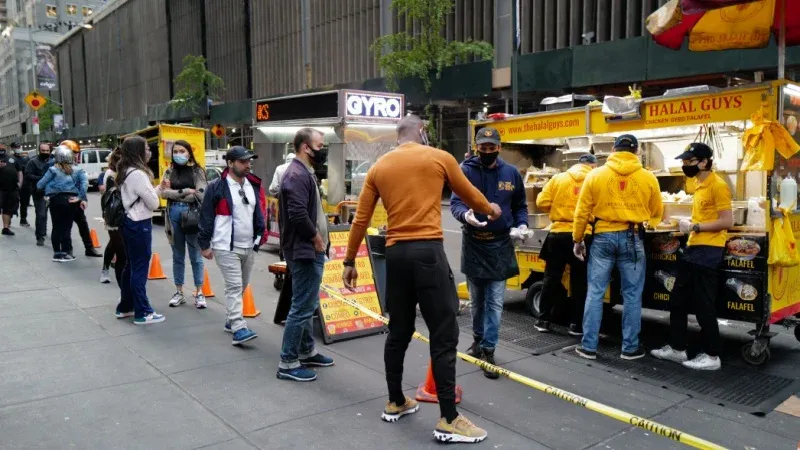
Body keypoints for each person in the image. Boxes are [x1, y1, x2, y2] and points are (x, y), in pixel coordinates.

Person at [342, 115, 501, 443]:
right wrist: (491, 209)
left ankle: (396, 401)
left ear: (398, 136)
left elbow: (360, 219)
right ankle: (448, 419)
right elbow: (471, 196)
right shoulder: (439, 157)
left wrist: (349, 261)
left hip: (396, 255)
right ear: (422, 131)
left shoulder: (379, 167)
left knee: (398, 331)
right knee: (444, 334)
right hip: (428, 253)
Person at [572, 134, 662, 361]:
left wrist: (578, 239)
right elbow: (656, 213)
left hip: (602, 237)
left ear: (613, 149)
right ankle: (630, 348)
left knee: (595, 292)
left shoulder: (595, 174)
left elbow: (582, 211)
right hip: (633, 237)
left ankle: (589, 347)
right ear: (637, 151)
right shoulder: (648, 177)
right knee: (632, 295)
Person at [450, 127, 529, 380]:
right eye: (482, 148)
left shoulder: (512, 173)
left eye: (491, 147)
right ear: (476, 147)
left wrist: (522, 225)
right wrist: (466, 215)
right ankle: (477, 339)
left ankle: (488, 349)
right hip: (474, 242)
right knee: (477, 301)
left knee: (495, 302)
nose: (486, 151)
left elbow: (520, 206)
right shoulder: (465, 171)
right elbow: (456, 203)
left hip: (500, 244)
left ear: (499, 147)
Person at [651, 143, 732, 371]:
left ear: (704, 161)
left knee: (703, 304)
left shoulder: (718, 185)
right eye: (684, 161)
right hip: (693, 249)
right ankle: (677, 349)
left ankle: (712, 356)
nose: (685, 165)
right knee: (678, 301)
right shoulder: (698, 184)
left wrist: (696, 226)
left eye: (689, 161)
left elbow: (727, 221)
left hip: (709, 251)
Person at [276, 129, 335, 382]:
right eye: (320, 145)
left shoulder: (304, 172)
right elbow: (298, 215)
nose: (323, 150)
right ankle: (288, 362)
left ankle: (306, 350)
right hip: (305, 250)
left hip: (307, 248)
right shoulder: (297, 175)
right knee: (302, 306)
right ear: (305, 147)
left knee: (307, 304)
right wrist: (317, 239)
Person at [198, 146, 265, 345]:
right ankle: (238, 327)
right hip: (225, 245)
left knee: (242, 285)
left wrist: (260, 235)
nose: (248, 165)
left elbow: (258, 212)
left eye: (249, 161)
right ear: (230, 163)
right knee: (234, 286)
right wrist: (204, 244)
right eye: (243, 161)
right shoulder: (216, 187)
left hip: (248, 245)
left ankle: (230, 320)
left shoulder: (252, 185)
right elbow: (207, 216)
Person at [535, 154, 598, 336]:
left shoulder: (558, 178)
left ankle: (543, 320)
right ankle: (576, 325)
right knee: (579, 281)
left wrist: (557, 210)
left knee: (551, 278)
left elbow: (541, 202)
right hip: (582, 235)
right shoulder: (594, 178)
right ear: (592, 166)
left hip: (557, 234)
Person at [116, 136, 165, 325]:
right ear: (137, 152)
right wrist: (157, 193)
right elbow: (153, 203)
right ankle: (142, 311)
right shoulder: (138, 174)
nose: (149, 152)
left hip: (129, 222)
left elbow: (143, 197)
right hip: (139, 224)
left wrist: (158, 189)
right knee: (139, 268)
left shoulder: (126, 171)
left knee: (130, 266)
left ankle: (126, 306)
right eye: (146, 148)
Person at [157, 140, 208, 308]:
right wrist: (185, 191)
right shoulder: (169, 171)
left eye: (182, 151)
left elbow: (200, 195)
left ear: (189, 152)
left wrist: (175, 194)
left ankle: (199, 292)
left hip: (192, 215)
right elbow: (163, 194)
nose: (179, 154)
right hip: (173, 215)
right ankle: (179, 291)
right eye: (176, 151)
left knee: (195, 255)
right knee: (177, 255)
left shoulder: (197, 171)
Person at [46, 140, 101, 257]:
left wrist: (83, 198)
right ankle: (67, 250)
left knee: (82, 224)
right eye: (73, 153)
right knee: (65, 227)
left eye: (76, 153)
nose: (76, 156)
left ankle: (89, 248)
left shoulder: (74, 165)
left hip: (75, 199)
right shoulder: (52, 165)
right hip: (61, 200)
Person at [37, 145, 88, 262]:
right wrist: (80, 197)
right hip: (71, 200)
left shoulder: (52, 170)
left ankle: (57, 253)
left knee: (56, 227)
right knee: (66, 228)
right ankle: (66, 253)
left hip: (54, 200)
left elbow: (40, 184)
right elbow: (84, 185)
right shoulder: (78, 170)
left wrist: (50, 188)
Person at [100, 150, 126, 286]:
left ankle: (108, 268)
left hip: (123, 215)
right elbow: (112, 198)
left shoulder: (125, 173)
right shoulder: (111, 175)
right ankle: (105, 269)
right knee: (117, 244)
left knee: (115, 244)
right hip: (113, 215)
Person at [26, 143, 52, 246]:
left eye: (47, 151)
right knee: (41, 214)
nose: (45, 152)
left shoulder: (53, 162)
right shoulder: (33, 162)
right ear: (39, 151)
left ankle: (46, 232)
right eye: (43, 150)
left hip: (53, 192)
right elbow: (28, 175)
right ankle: (40, 236)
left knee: (54, 215)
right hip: (39, 192)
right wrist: (42, 178)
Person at [0, 144, 23, 236]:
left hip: (12, 188)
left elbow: (19, 171)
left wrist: (20, 183)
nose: (1, 149)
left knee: (8, 208)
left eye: (2, 147)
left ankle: (6, 227)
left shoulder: (12, 158)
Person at [12, 144, 31, 228]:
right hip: (13, 183)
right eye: (16, 147)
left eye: (19, 147)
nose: (19, 149)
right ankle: (8, 218)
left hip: (25, 184)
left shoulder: (26, 158)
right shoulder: (10, 158)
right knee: (13, 202)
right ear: (13, 148)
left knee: (24, 202)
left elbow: (29, 169)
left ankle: (23, 219)